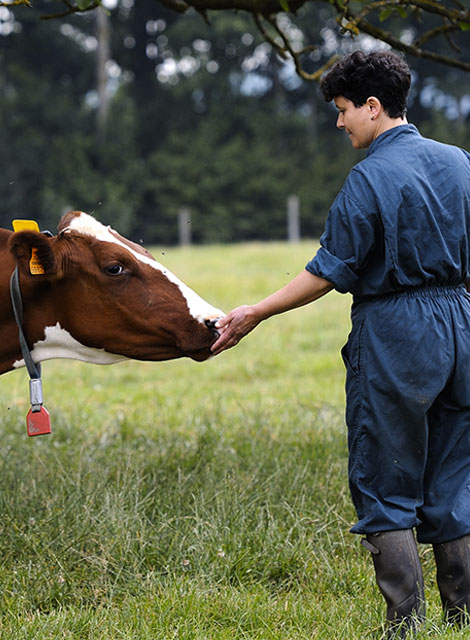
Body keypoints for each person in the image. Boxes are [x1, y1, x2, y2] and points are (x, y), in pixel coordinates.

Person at [211, 50, 470, 638]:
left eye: (345, 110)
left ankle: (403, 626)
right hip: (461, 324)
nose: (340, 122)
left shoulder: (370, 177)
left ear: (373, 108)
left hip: (396, 331)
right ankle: (462, 620)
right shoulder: (460, 163)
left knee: (385, 476)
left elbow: (329, 270)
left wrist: (257, 310)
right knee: (456, 474)